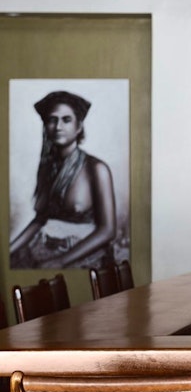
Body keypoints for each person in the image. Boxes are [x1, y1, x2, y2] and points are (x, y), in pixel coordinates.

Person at [10, 90, 117, 269]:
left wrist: (61, 261)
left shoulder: (97, 169)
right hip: (46, 247)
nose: (58, 126)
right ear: (46, 126)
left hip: (85, 254)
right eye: (52, 120)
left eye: (66, 120)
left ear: (79, 126)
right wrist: (9, 249)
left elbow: (108, 230)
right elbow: (40, 219)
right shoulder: (47, 168)